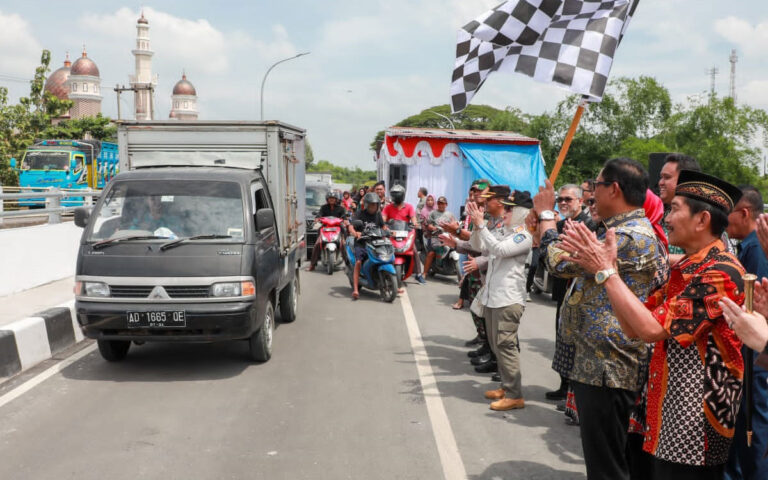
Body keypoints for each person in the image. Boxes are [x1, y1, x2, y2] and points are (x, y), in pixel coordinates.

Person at [561, 169, 746, 480]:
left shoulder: (721, 273)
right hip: (668, 412)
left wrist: (607, 272)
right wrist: (608, 271)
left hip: (695, 425)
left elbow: (649, 329)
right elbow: (634, 327)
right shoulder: (688, 267)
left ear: (702, 220)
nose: (666, 218)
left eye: (674, 210)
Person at [533, 158, 668, 480]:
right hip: (602, 364)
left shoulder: (625, 236)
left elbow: (558, 263)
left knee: (606, 466)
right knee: (612, 459)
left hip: (609, 366)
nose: (592, 193)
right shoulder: (619, 230)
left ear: (614, 189)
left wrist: (546, 217)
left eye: (596, 186)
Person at [468, 191, 533, 410]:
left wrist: (482, 226)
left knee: (506, 346)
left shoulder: (523, 235)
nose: (504, 212)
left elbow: (500, 249)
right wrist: (477, 225)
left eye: (510, 209)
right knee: (497, 346)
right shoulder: (504, 231)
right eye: (505, 207)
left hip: (508, 299)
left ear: (521, 212)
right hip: (494, 298)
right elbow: (480, 246)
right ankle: (506, 387)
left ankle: (515, 395)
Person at [723, 186, 768, 480]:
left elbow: (755, 306)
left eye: (729, 212)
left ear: (744, 213)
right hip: (754, 352)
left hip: (757, 356)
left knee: (755, 430)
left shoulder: (756, 248)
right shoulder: (749, 245)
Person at [544, 183, 591, 402]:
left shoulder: (589, 224)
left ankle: (573, 393)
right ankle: (564, 387)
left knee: (575, 342)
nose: (563, 203)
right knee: (561, 336)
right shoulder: (560, 224)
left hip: (581, 291)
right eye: (560, 199)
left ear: (580, 201)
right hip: (563, 289)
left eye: (568, 199)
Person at [658, 153, 702, 263]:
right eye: (661, 177)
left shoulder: (699, 215)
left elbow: (709, 258)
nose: (660, 183)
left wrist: (659, 260)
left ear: (686, 181)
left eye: (667, 177)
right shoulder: (659, 212)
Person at [382, 185, 425, 286]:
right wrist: (383, 224)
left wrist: (415, 224)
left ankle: (418, 274)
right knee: (383, 249)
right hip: (391, 234)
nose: (396, 196)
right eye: (394, 194)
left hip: (405, 235)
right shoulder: (388, 207)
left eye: (398, 194)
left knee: (414, 251)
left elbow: (413, 219)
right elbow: (383, 218)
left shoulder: (409, 207)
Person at [347, 192, 386, 300]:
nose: (374, 207)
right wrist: (355, 233)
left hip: (376, 242)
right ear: (367, 204)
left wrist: (389, 231)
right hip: (362, 242)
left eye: (375, 204)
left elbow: (383, 227)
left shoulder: (378, 215)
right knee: (359, 262)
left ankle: (395, 284)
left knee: (386, 256)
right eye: (372, 204)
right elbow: (351, 226)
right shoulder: (360, 213)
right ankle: (355, 289)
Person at [308, 193, 347, 272]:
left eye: (333, 198)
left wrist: (345, 219)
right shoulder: (323, 207)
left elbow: (344, 216)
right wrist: (317, 218)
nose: (331, 199)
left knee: (343, 244)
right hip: (325, 227)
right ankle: (312, 265)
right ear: (327, 199)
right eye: (330, 198)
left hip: (337, 228)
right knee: (317, 244)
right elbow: (319, 214)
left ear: (336, 199)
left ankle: (348, 264)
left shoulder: (341, 208)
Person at [423, 196, 457, 277]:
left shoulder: (450, 215)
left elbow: (455, 224)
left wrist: (456, 227)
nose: (441, 205)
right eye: (439, 203)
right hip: (435, 237)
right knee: (431, 253)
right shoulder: (433, 213)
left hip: (447, 236)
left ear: (446, 204)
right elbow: (429, 224)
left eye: (442, 204)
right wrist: (434, 228)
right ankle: (424, 273)